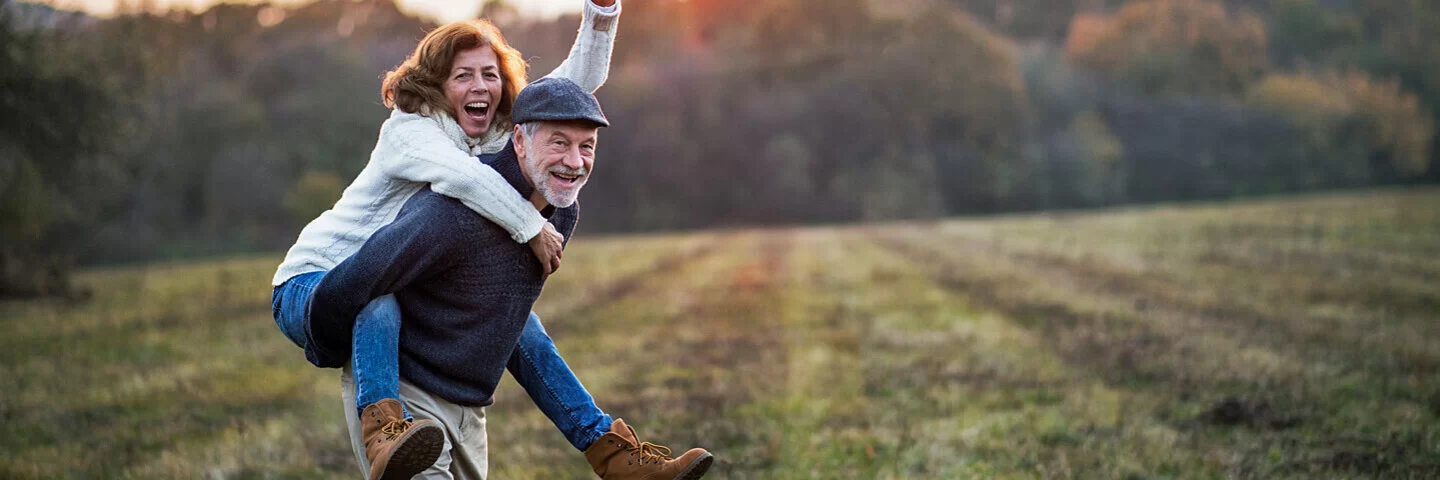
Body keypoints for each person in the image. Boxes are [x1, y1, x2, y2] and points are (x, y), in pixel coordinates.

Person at [269, 3, 707, 479]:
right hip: (320, 279)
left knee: (521, 323)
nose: (480, 86)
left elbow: (568, 91)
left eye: (490, 74)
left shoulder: (491, 134)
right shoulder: (412, 132)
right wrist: (533, 226)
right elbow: (463, 181)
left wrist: (602, 12)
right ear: (437, 86)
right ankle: (384, 429)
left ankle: (612, 453)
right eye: (463, 76)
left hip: (396, 276)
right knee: (379, 302)